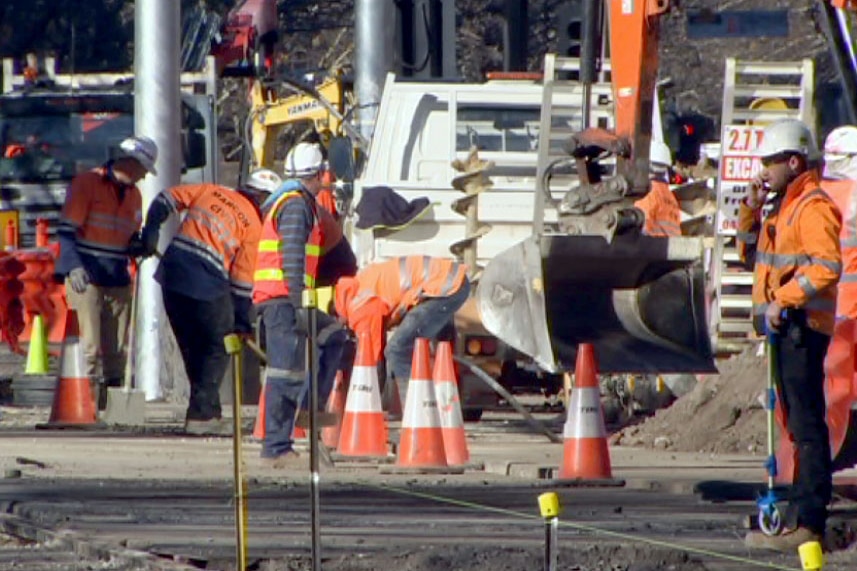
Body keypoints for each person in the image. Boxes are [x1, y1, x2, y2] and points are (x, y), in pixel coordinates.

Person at [738, 119, 842, 552]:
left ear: (794, 161)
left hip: (803, 329)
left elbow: (827, 264)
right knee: (795, 426)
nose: (764, 169)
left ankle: (810, 521)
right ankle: (797, 514)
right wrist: (750, 207)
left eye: (771, 161)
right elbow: (749, 255)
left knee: (807, 425)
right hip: (785, 331)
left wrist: (784, 298)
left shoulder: (812, 206)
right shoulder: (781, 207)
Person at [140, 170, 276, 435]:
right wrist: (241, 321)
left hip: (173, 274)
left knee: (193, 347)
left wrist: (151, 231)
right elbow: (241, 283)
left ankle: (205, 412)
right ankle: (202, 416)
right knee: (217, 345)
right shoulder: (253, 225)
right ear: (264, 199)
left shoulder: (211, 191)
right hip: (204, 280)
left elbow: (165, 199)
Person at [253, 142, 350, 467]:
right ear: (319, 174)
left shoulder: (294, 202)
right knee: (285, 372)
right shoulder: (296, 206)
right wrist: (297, 304)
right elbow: (292, 255)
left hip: (286, 298)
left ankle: (308, 416)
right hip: (282, 300)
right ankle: (276, 447)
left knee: (332, 336)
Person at [55, 135, 158, 409]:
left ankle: (112, 409)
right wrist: (73, 266)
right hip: (86, 278)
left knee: (117, 352)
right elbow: (66, 233)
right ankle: (83, 408)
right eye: (144, 170)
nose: (145, 177)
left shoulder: (135, 195)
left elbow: (126, 236)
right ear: (130, 163)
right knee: (88, 348)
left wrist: (138, 245)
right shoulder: (87, 184)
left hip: (117, 279)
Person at [333, 255, 470, 404]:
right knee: (433, 349)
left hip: (445, 287)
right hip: (447, 282)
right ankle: (440, 406)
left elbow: (371, 362)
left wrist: (366, 403)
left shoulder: (358, 307)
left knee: (398, 350)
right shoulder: (360, 285)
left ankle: (415, 410)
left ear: (338, 315)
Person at [633, 139, 682, 237]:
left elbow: (640, 226)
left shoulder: (647, 192)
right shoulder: (669, 195)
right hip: (671, 247)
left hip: (653, 248)